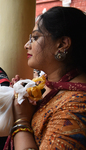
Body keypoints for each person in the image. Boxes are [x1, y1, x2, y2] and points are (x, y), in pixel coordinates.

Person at [11, 6, 86, 150]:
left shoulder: (76, 106)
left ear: (62, 44)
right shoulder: (48, 84)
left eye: (35, 38)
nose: (27, 45)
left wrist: (22, 120)